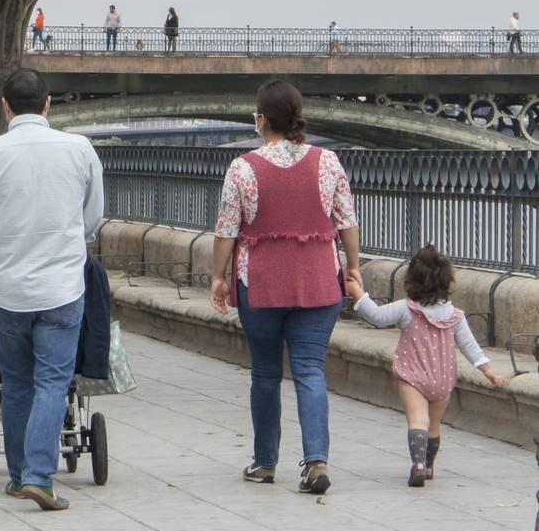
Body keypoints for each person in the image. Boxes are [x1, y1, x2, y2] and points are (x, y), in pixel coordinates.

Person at [0, 68, 105, 512]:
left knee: (17, 383)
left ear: (5, 107)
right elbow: (92, 218)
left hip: (7, 288)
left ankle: (21, 474)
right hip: (63, 286)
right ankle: (40, 478)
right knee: (53, 380)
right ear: (48, 105)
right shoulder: (80, 149)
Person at [209, 80, 360, 495]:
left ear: (261, 120)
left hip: (259, 284)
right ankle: (315, 462)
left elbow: (227, 229)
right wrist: (354, 268)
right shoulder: (328, 162)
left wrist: (218, 277)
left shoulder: (243, 167)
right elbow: (346, 221)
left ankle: (265, 462)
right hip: (317, 281)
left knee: (265, 373)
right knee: (311, 371)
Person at [345, 246, 506, 486]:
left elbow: (377, 317)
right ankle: (429, 466)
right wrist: (488, 370)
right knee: (434, 424)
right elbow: (470, 346)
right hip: (443, 378)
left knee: (417, 420)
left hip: (413, 377)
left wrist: (358, 292)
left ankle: (418, 465)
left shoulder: (406, 308)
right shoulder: (455, 315)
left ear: (411, 280)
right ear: (447, 281)